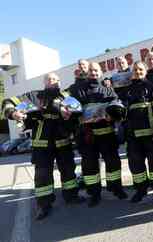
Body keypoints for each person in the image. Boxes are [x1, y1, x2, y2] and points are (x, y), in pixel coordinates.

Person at [2, 73, 85, 220]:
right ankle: (43, 205)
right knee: (42, 176)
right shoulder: (34, 96)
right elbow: (8, 102)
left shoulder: (66, 96)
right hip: (42, 144)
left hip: (63, 141)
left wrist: (70, 117)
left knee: (68, 171)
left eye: (55, 80)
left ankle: (71, 196)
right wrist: (13, 113)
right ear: (44, 83)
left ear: (59, 82)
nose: (53, 82)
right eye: (49, 80)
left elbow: (78, 113)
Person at [66, 62, 127, 207]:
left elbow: (116, 106)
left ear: (101, 72)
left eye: (96, 70)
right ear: (87, 73)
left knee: (113, 163)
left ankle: (116, 188)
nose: (93, 73)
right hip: (88, 136)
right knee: (89, 167)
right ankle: (94, 193)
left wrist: (111, 116)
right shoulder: (77, 90)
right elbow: (71, 110)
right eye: (91, 71)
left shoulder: (108, 90)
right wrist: (76, 116)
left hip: (107, 134)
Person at [125, 61, 153, 203]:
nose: (138, 72)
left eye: (141, 69)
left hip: (151, 133)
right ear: (132, 72)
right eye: (135, 70)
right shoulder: (128, 89)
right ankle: (141, 190)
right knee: (136, 164)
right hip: (133, 135)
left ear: (145, 70)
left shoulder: (152, 86)